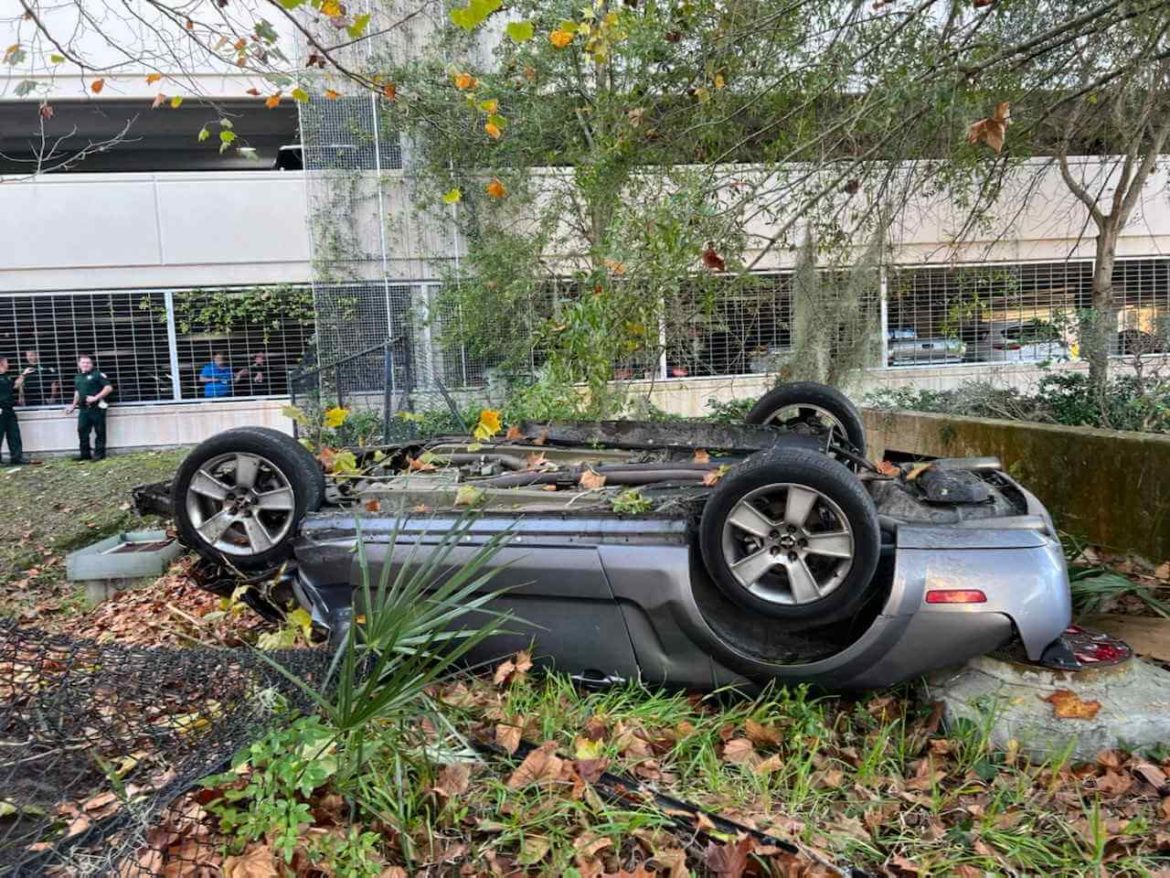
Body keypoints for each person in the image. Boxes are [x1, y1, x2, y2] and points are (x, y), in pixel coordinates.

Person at [65, 355, 113, 461]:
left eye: (88, 362)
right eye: (83, 362)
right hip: (83, 408)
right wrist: (73, 406)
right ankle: (85, 454)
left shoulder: (97, 375)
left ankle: (99, 454)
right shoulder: (78, 377)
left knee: (99, 431)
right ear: (79, 364)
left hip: (97, 408)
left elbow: (108, 388)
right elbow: (77, 392)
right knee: (82, 430)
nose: (85, 364)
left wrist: (95, 398)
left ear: (92, 364)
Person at [0, 356, 27, 465]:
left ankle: (16, 457)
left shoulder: (7, 377)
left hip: (9, 410)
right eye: (6, 362)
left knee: (14, 434)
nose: (8, 364)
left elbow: (15, 385)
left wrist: (23, 374)